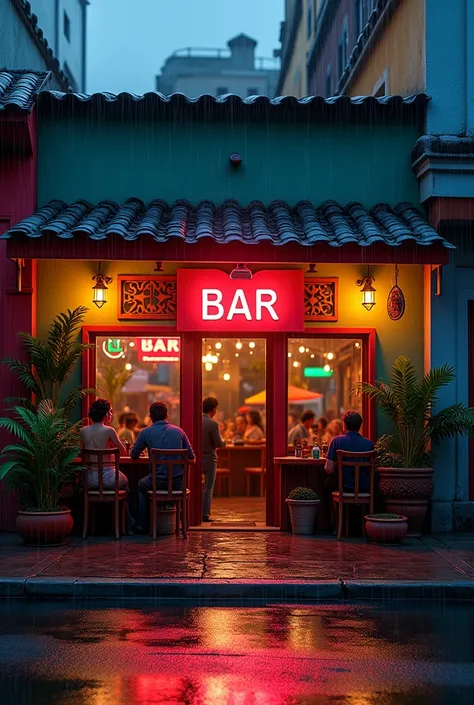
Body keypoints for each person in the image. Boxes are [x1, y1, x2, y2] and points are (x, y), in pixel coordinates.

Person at [131, 401, 195, 531]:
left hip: (157, 482)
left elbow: (133, 455)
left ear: (150, 416)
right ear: (167, 415)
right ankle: (183, 526)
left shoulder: (145, 432)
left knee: (140, 485)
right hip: (178, 484)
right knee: (145, 484)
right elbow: (191, 458)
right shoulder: (179, 432)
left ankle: (142, 524)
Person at [80, 398, 129, 490]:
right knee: (126, 481)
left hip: (89, 478)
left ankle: (89, 504)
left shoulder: (82, 431)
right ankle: (118, 504)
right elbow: (123, 451)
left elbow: (81, 451)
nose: (111, 414)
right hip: (108, 477)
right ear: (105, 414)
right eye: (110, 411)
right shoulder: (109, 431)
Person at [324, 410, 374, 493]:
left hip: (343, 487)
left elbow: (329, 469)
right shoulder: (369, 444)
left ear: (344, 425)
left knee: (327, 483)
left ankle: (337, 506)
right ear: (360, 426)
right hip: (364, 488)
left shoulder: (337, 441)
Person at [202, 396, 226, 522]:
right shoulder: (213, 423)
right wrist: (225, 441)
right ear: (212, 409)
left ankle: (194, 512)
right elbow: (219, 444)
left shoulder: (196, 421)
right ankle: (205, 514)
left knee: (195, 486)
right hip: (210, 459)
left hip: (196, 458)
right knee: (208, 488)